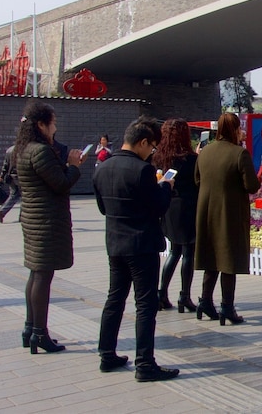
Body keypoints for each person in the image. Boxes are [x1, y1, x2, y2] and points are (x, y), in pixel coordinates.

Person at [94, 116, 180, 381]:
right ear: (143, 142)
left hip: (115, 243)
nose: (152, 152)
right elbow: (157, 206)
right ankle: (145, 363)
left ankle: (107, 354)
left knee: (115, 298)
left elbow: (102, 208)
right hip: (141, 244)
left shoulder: (102, 167)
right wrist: (165, 187)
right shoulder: (141, 170)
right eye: (152, 147)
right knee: (145, 304)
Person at [15, 101, 85, 354]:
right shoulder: (40, 151)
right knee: (43, 275)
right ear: (42, 124)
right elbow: (61, 183)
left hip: (33, 218)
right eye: (53, 122)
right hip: (46, 220)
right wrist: (74, 166)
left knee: (36, 273)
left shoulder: (23, 149)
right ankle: (39, 334)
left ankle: (30, 328)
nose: (55, 127)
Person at [194, 113, 261, 325]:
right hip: (229, 212)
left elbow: (197, 179)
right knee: (228, 260)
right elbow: (251, 185)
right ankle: (227, 307)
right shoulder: (239, 153)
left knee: (211, 258)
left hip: (206, 212)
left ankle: (205, 301)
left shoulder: (204, 152)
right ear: (233, 129)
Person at [152, 119, 199, 313]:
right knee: (188, 253)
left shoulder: (159, 157)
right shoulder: (190, 159)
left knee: (174, 251)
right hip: (187, 207)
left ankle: (161, 293)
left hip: (169, 206)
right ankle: (184, 296)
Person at [0, 144, 22, 223]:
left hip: (11, 177)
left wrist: (2, 175)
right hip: (22, 176)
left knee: (13, 195)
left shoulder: (9, 150)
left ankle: (2, 211)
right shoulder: (24, 150)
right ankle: (22, 216)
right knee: (26, 197)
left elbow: (5, 165)